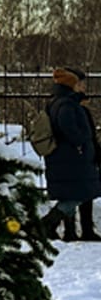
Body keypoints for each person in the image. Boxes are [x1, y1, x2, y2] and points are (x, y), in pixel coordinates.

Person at [40, 67, 101, 241]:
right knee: (75, 195)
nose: (83, 87)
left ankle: (73, 231)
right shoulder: (66, 104)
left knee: (79, 192)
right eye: (80, 83)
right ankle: (48, 225)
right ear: (71, 85)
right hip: (72, 157)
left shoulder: (61, 102)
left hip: (71, 157)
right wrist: (83, 139)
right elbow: (71, 130)